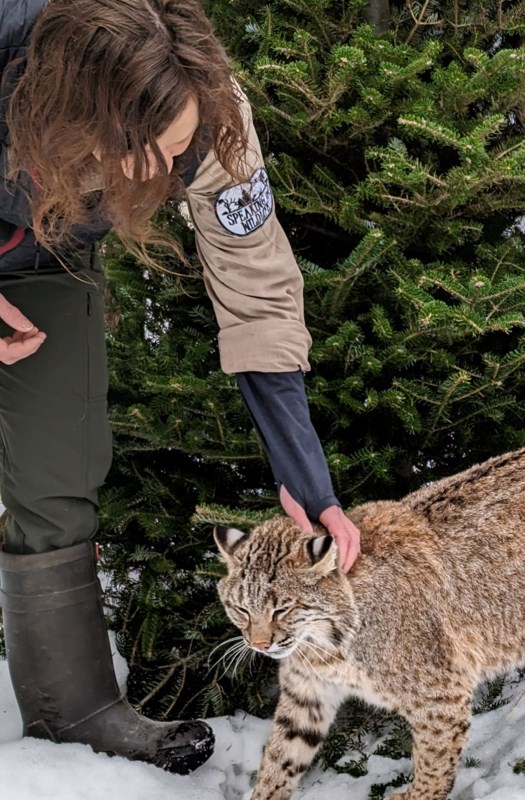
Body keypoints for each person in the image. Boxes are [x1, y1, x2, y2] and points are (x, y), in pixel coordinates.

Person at [0, 0, 361, 775]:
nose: (161, 173)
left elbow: (254, 280)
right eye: (139, 152)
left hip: (42, 258)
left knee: (59, 463)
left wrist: (306, 478)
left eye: (175, 148)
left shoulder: (208, 109)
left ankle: (75, 718)